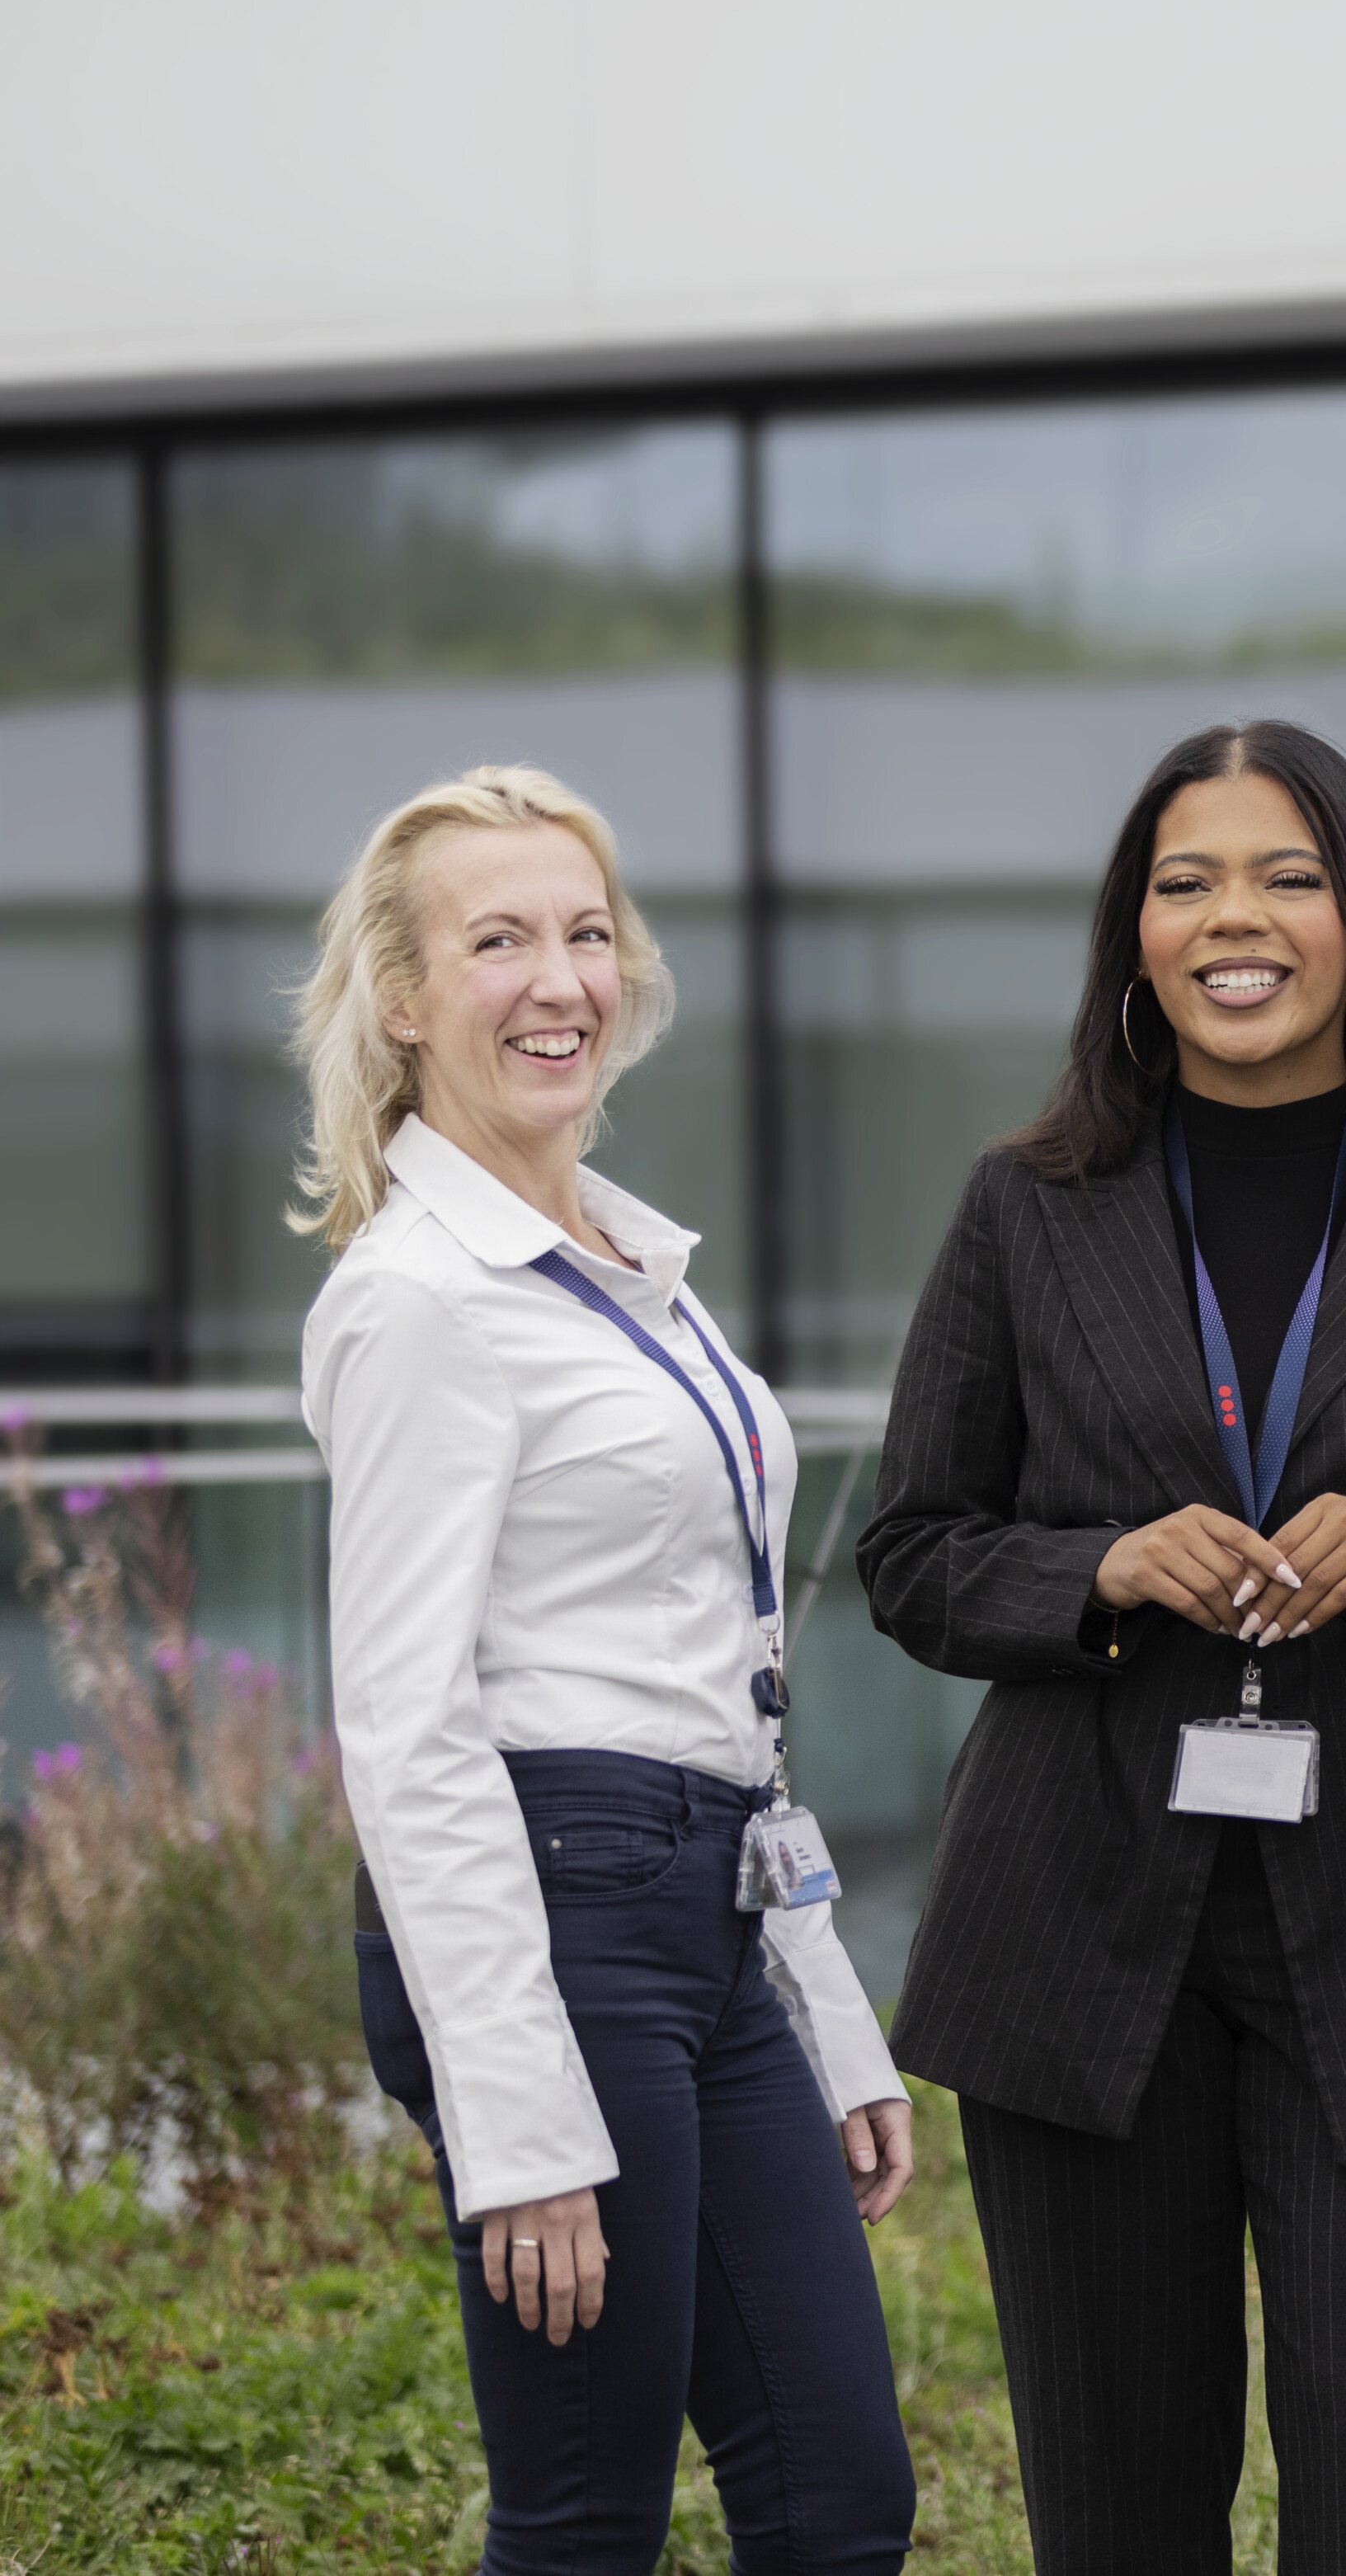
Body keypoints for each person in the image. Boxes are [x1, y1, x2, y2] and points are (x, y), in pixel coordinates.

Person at [858, 718, 1346, 2574]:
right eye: (1186, 881)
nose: (1236, 918)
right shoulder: (1028, 1206)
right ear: (1134, 933)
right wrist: (1102, 1569)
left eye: (1289, 875)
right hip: (1074, 1928)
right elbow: (912, 1555)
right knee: (1117, 2507)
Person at [299, 765, 918, 2576]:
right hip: (555, 1925)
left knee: (840, 2506)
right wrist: (516, 2120)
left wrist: (824, 2005)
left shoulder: (633, 1263)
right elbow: (405, 1727)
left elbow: (717, 1677)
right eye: (496, 940)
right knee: (585, 2526)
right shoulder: (422, 1296)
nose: (558, 978)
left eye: (585, 933)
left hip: (706, 1914)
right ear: (403, 999)